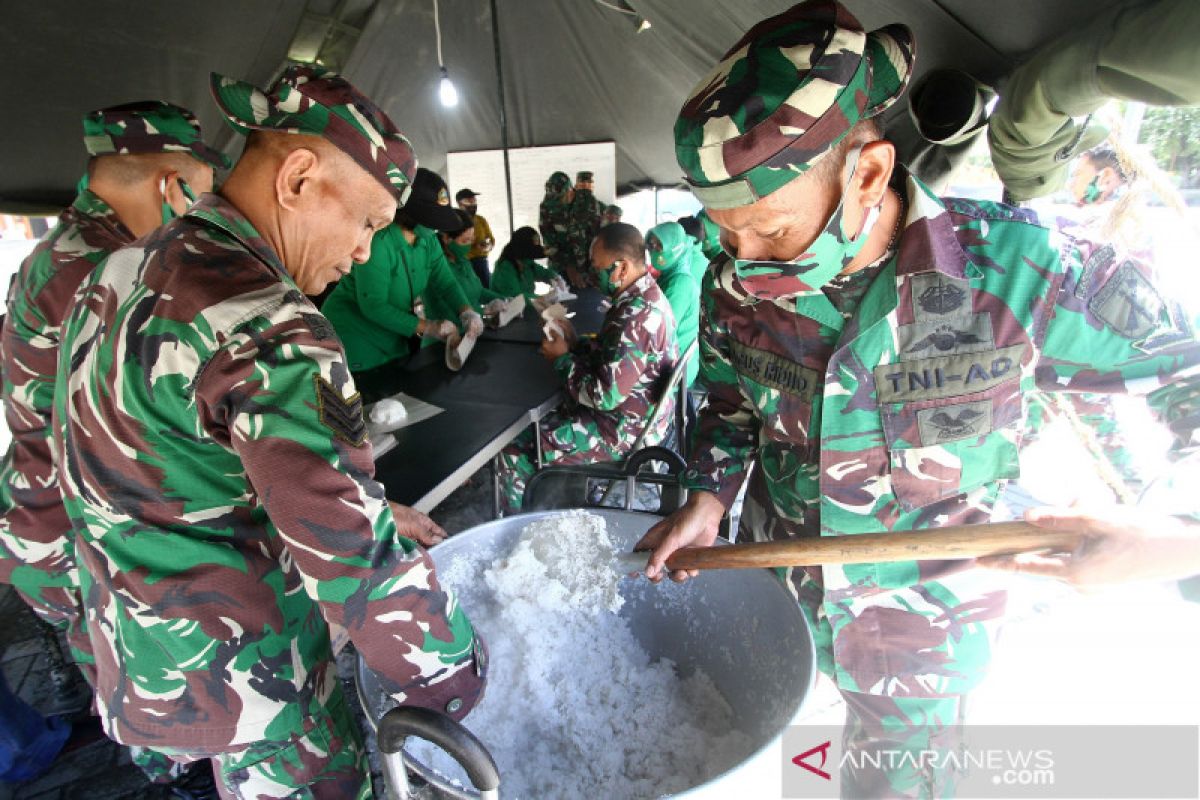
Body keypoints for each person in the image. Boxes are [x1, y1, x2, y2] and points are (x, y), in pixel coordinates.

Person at [636, 3, 1200, 795]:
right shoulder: (734, 291)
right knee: (782, 771)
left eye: (768, 231)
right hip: (782, 611)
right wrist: (707, 494)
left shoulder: (1016, 270)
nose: (745, 263)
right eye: (727, 237)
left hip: (920, 644)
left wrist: (1180, 537)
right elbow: (731, 410)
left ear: (866, 172)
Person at [52, 65, 486, 799]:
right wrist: (458, 670)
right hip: (253, 680)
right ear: (298, 178)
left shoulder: (121, 270)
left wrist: (359, 508)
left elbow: (179, 468)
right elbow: (360, 566)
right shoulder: (267, 322)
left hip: (144, 654)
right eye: (366, 222)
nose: (362, 253)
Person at [0, 100, 226, 791]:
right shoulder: (112, 273)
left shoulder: (59, 252)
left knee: (123, 691)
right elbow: (147, 438)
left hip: (46, 525)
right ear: (170, 183)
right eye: (202, 188)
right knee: (175, 720)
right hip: (93, 539)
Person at [496, 223, 678, 512]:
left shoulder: (634, 316)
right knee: (551, 417)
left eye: (598, 267)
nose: (592, 274)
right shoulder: (646, 298)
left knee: (515, 445)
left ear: (621, 269)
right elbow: (616, 360)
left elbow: (602, 396)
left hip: (622, 430)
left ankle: (515, 530)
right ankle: (561, 503)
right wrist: (576, 343)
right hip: (641, 417)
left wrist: (561, 359)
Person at [322, 167, 484, 401]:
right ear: (408, 212)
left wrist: (467, 311)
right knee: (372, 410)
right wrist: (428, 327)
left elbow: (446, 281)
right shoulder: (380, 242)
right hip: (357, 337)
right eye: (430, 218)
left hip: (393, 335)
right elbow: (374, 306)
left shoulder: (427, 240)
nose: (435, 226)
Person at [646, 221, 703, 387]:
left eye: (659, 246)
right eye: (651, 245)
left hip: (675, 370)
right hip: (671, 362)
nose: (653, 250)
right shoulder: (671, 274)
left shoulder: (680, 283)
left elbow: (660, 331)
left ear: (675, 247)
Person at [438, 208, 509, 313]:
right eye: (465, 241)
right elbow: (447, 307)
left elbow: (479, 291)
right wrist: (483, 311)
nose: (469, 245)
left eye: (472, 239)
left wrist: (505, 300)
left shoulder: (463, 261)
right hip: (453, 327)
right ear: (446, 238)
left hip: (475, 321)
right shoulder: (439, 268)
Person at [490, 226, 559, 302]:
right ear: (524, 246)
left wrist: (555, 278)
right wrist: (542, 298)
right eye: (533, 246)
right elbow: (515, 296)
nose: (536, 249)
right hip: (507, 309)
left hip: (526, 306)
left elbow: (543, 273)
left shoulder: (525, 260)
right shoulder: (505, 268)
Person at [456, 187, 494, 288]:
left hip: (482, 261)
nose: (473, 204)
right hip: (464, 263)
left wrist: (487, 246)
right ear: (460, 204)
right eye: (469, 201)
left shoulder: (481, 220)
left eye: (474, 201)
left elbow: (491, 240)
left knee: (488, 289)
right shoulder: (455, 221)